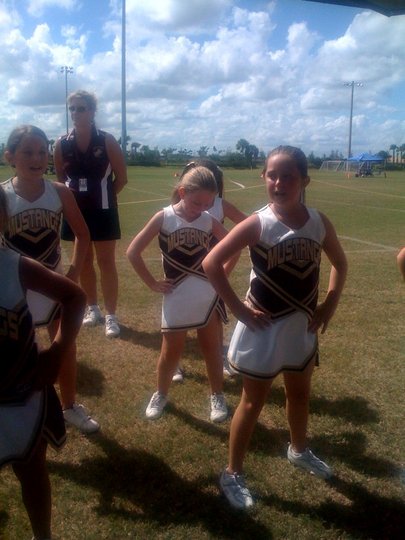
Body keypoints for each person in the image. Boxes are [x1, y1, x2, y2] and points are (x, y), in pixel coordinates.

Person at [203, 145, 348, 509]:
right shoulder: (258, 223)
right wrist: (239, 309)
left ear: (304, 181)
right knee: (253, 402)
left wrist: (329, 305)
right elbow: (211, 263)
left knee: (300, 395)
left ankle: (298, 449)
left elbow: (340, 264)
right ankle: (232, 472)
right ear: (264, 178)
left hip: (301, 327)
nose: (279, 183)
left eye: (288, 176)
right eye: (272, 175)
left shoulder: (319, 222)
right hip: (263, 329)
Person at [0, 184, 87, 540]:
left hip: (20, 392)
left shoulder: (15, 266)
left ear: (4, 219)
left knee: (32, 468)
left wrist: (57, 351)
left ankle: (43, 535)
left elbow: (74, 296)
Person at [2, 125, 99, 434]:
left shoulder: (59, 191)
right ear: (9, 156)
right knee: (16, 351)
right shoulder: (2, 194)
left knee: (65, 345)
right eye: (27, 152)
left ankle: (69, 406)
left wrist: (73, 272)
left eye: (42, 152)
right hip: (15, 288)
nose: (36, 158)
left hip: (53, 284)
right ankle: (19, 408)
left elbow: (82, 234)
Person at [127, 166, 236, 422]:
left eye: (207, 204)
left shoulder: (208, 220)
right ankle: (161, 394)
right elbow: (133, 252)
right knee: (170, 352)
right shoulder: (163, 217)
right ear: (183, 192)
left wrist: (221, 277)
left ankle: (217, 395)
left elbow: (234, 246)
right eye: (197, 202)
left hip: (206, 294)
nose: (202, 208)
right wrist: (152, 283)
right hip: (176, 294)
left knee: (211, 349)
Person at [54, 90, 127, 338]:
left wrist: (104, 197)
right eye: (72, 109)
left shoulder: (107, 140)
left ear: (92, 111)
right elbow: (61, 180)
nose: (75, 113)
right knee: (84, 261)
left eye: (81, 108)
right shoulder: (61, 144)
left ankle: (111, 316)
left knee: (106, 262)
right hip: (75, 212)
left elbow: (122, 178)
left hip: (103, 210)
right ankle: (92, 308)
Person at [172, 159, 246, 382]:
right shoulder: (182, 201)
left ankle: (220, 358)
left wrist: (224, 272)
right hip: (183, 271)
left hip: (210, 273)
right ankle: (174, 363)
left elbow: (245, 226)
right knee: (179, 318)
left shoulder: (220, 204)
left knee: (215, 316)